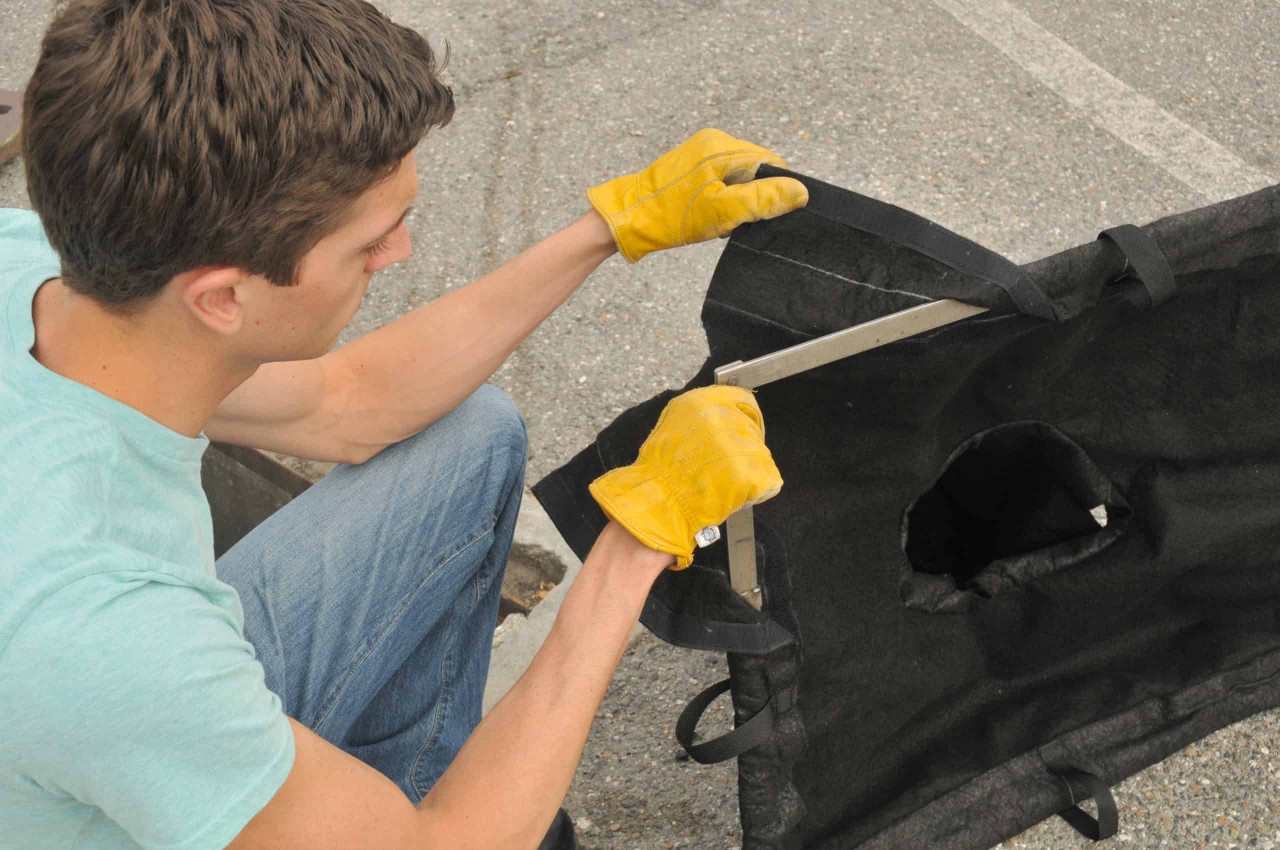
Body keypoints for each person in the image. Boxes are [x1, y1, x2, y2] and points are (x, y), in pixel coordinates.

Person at [0, 0, 808, 847]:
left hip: (88, 717)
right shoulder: (107, 639)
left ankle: (382, 796)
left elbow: (346, 401)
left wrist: (607, 230)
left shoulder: (39, 266)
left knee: (468, 440)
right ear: (223, 297)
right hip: (111, 744)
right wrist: (638, 544)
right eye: (370, 243)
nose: (400, 255)